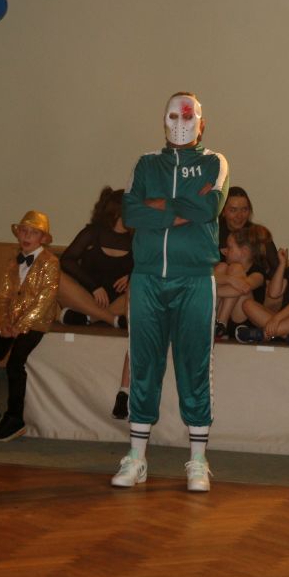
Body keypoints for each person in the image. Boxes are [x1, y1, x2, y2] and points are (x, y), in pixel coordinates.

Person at [110, 92, 228, 493]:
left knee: (195, 367)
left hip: (194, 280)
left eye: (189, 116)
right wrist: (181, 208)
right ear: (164, 120)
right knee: (144, 366)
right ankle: (136, 457)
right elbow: (131, 212)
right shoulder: (145, 164)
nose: (181, 122)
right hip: (147, 279)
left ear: (202, 123)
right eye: (174, 116)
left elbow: (208, 209)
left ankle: (198, 461)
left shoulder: (214, 162)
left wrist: (159, 206)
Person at [0, 210, 61, 443]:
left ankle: (15, 418)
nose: (26, 236)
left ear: (43, 238)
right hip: (11, 320)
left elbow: (45, 299)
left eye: (33, 233)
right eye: (23, 231)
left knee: (14, 363)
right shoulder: (13, 261)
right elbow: (3, 296)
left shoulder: (50, 262)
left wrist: (22, 325)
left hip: (36, 321)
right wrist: (3, 323)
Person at [56, 187, 132, 329]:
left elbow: (151, 266)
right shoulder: (92, 232)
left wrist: (131, 276)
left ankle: (89, 318)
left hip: (119, 302)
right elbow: (66, 260)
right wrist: (94, 287)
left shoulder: (138, 239)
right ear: (117, 211)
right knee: (56, 277)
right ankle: (111, 319)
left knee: (139, 285)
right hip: (85, 298)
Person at [214, 224, 274, 337]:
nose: (225, 251)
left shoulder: (258, 272)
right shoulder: (225, 267)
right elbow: (209, 279)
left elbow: (242, 289)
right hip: (220, 316)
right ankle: (217, 324)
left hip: (243, 324)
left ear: (244, 251)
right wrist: (229, 279)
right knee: (221, 267)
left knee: (235, 268)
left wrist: (210, 290)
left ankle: (221, 323)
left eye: (230, 247)